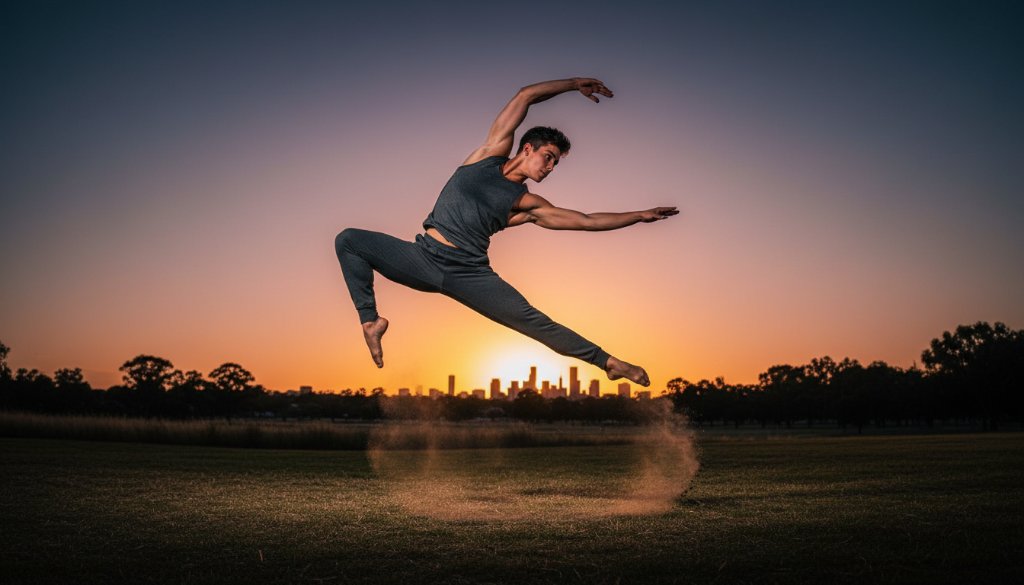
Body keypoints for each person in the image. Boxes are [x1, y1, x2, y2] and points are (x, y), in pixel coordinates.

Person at [335, 78, 677, 387]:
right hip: (422, 258)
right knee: (349, 240)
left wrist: (640, 215)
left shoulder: (526, 203)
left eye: (556, 163)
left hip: (469, 273)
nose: (551, 167)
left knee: (534, 322)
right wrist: (574, 84)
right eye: (548, 156)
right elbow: (525, 95)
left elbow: (586, 220)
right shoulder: (486, 156)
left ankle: (610, 363)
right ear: (527, 148)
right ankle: (371, 322)